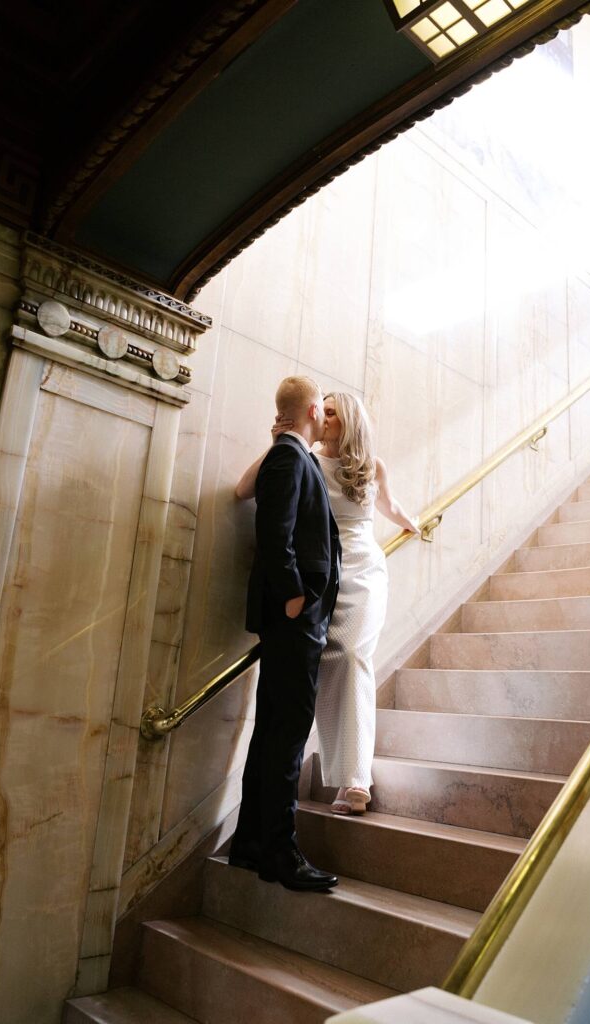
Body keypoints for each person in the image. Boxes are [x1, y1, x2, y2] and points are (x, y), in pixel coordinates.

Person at [235, 391, 418, 819]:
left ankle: (355, 776)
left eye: (332, 413)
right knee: (327, 662)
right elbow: (243, 489)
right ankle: (343, 774)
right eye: (323, 411)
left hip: (365, 572)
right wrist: (280, 441)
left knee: (354, 656)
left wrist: (412, 524)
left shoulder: (373, 467)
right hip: (323, 575)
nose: (324, 418)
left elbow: (388, 505)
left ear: (349, 420)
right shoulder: (305, 460)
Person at [228, 376, 342, 892]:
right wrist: (296, 596)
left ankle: (252, 844)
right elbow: (274, 533)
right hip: (295, 620)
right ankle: (279, 851)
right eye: (325, 411)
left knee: (274, 732)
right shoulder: (290, 459)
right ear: (314, 409)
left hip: (293, 620)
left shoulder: (293, 456)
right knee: (288, 735)